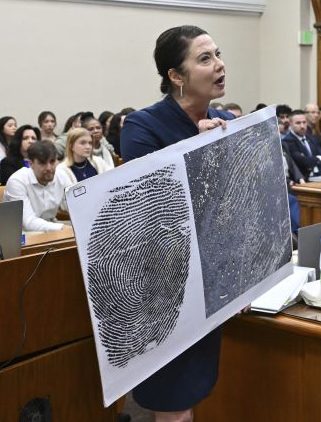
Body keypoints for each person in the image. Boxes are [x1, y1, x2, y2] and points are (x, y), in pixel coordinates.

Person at [121, 24, 234, 422]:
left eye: (218, 54)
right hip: (162, 288)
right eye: (205, 58)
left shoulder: (222, 120)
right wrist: (194, 147)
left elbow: (229, 203)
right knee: (174, 406)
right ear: (176, 76)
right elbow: (149, 204)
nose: (219, 65)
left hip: (211, 279)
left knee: (201, 392)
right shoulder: (142, 126)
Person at [4, 140, 69, 232]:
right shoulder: (17, 181)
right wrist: (62, 228)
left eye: (52, 161)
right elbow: (28, 223)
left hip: (51, 226)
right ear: (30, 163)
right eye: (42, 163)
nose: (49, 168)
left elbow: (76, 207)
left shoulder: (61, 175)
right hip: (20, 234)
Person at [281, 109, 321, 178]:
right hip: (302, 181)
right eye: (298, 123)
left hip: (318, 177)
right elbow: (303, 162)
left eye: (304, 122)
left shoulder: (311, 138)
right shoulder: (287, 141)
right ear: (290, 124)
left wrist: (316, 172)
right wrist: (318, 159)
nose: (302, 126)